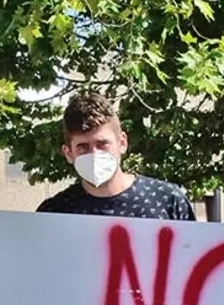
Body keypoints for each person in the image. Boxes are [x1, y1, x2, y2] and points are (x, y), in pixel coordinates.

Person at [37, 92, 195, 220]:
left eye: (102, 144)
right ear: (68, 153)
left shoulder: (168, 201)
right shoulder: (53, 213)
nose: (94, 154)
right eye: (82, 147)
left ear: (122, 143)